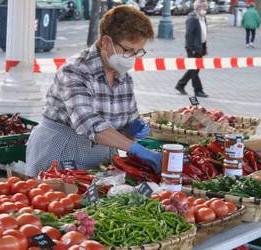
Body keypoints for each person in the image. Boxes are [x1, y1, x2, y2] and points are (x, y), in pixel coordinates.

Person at [26, 6, 161, 177]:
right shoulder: (75, 70)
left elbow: (124, 130)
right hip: (61, 150)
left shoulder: (124, 78)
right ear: (106, 42)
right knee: (60, 201)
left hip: (102, 156)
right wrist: (137, 149)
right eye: (127, 50)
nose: (131, 57)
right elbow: (90, 125)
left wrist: (133, 128)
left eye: (137, 52)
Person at [175, 0, 209, 98]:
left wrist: (204, 47)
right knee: (194, 69)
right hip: (193, 48)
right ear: (197, 7)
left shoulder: (203, 17)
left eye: (205, 6)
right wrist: (191, 48)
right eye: (203, 7)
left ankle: (180, 85)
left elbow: (203, 33)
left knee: (195, 68)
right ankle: (198, 90)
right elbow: (188, 35)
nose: (205, 9)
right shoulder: (192, 18)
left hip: (200, 46)